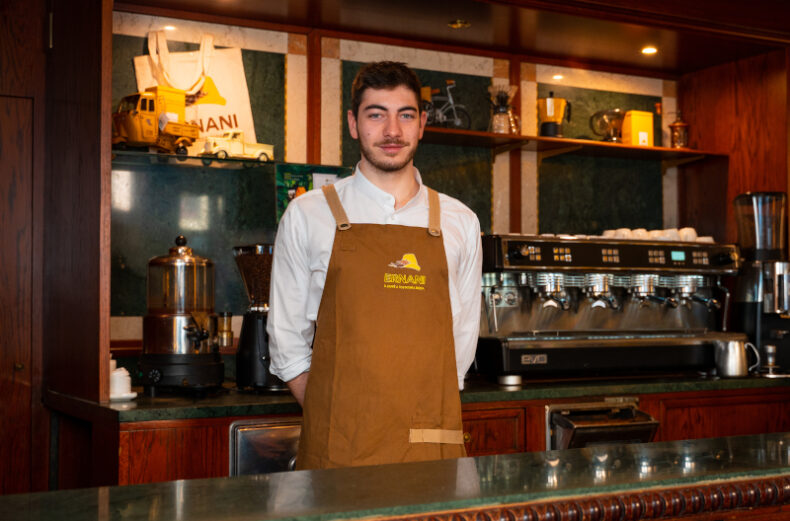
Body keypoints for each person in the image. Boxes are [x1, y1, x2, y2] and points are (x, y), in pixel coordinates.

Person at [267, 61, 482, 470]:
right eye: (376, 114)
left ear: (421, 124)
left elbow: (463, 339)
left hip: (429, 442)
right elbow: (285, 337)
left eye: (405, 115)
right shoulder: (308, 214)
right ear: (353, 123)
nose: (392, 131)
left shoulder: (460, 221)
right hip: (338, 444)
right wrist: (333, 413)